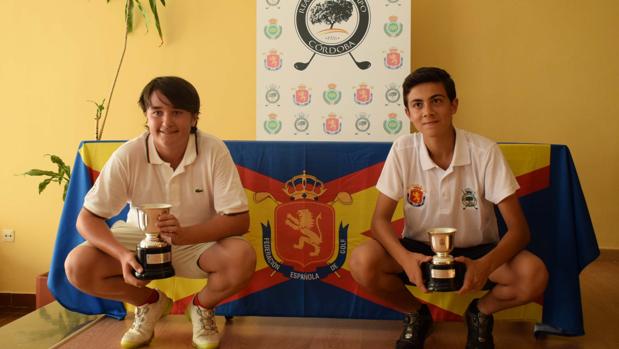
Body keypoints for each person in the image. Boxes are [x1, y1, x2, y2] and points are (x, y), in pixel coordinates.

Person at [349, 67, 548, 349]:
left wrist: (484, 265)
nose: (427, 111)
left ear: (454, 105)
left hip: (478, 252)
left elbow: (519, 231)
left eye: (437, 100)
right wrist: (406, 259)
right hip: (420, 251)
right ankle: (417, 315)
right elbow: (379, 221)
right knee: (362, 261)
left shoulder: (485, 151)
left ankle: (480, 314)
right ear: (408, 113)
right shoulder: (403, 149)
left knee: (534, 274)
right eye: (417, 104)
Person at [64, 76, 256, 349]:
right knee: (77, 266)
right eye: (157, 112)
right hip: (139, 241)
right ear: (147, 116)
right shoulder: (128, 154)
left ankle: (201, 308)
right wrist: (122, 255)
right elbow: (87, 218)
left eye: (177, 112)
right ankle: (150, 304)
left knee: (242, 256)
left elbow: (240, 220)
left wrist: (185, 234)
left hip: (197, 241)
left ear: (194, 118)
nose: (166, 122)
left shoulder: (214, 149)